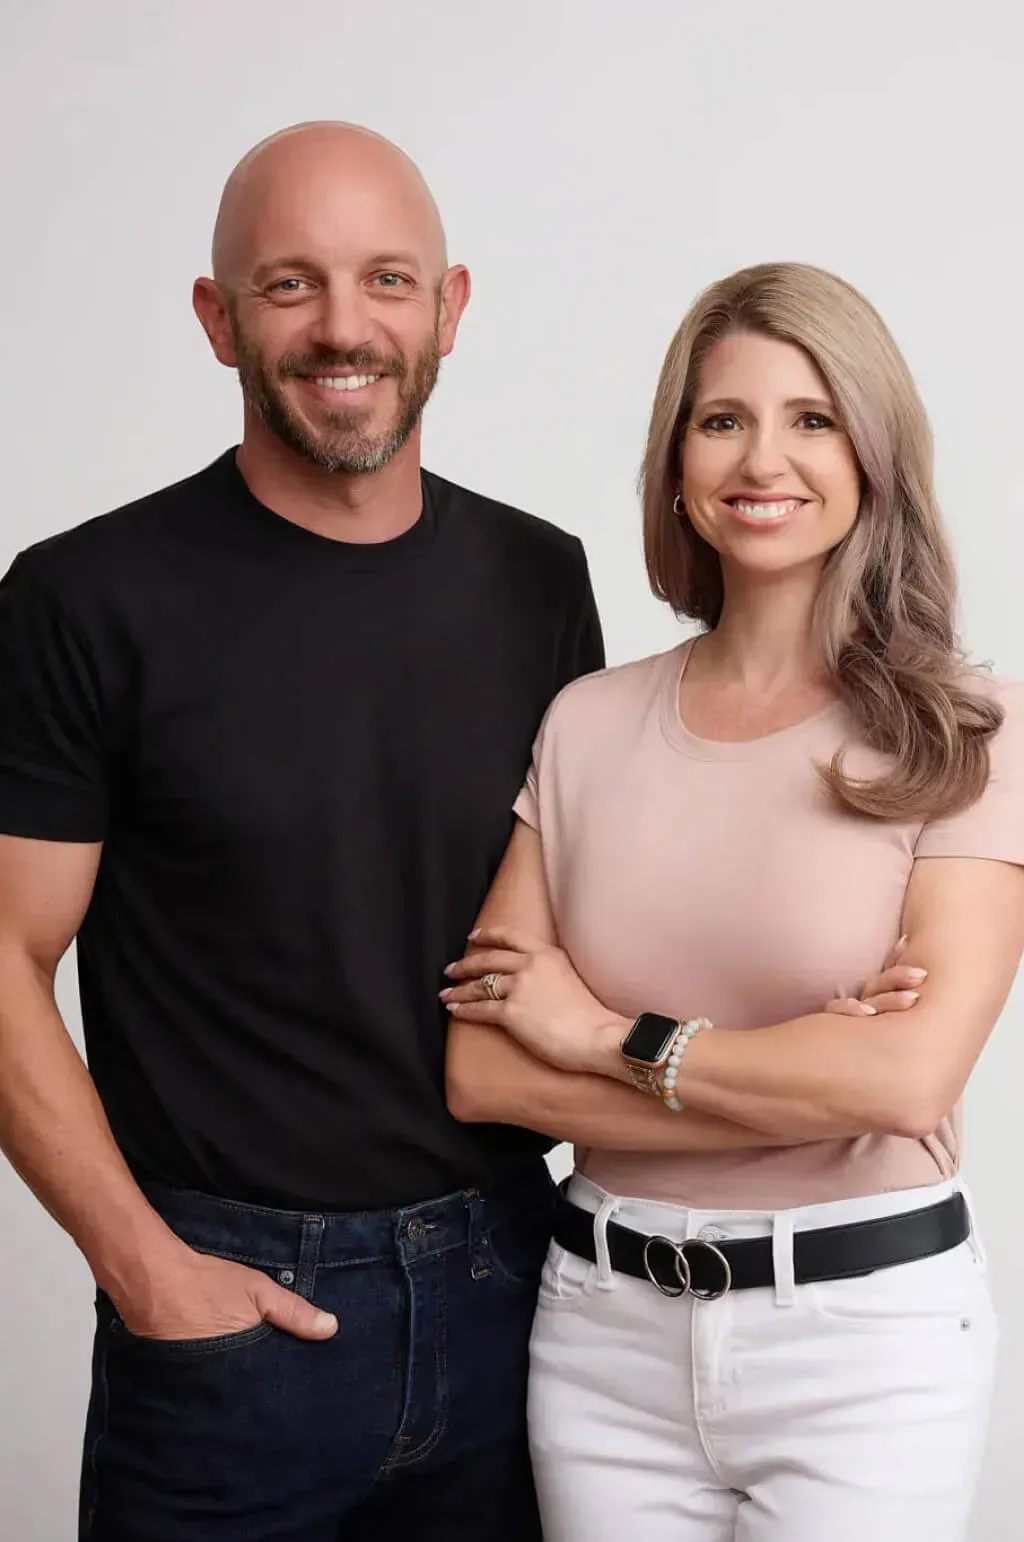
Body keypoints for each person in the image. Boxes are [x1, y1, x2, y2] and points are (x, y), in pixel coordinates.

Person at [0, 121, 607, 1541]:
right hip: (233, 1314)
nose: (346, 327)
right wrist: (145, 1266)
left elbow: (593, 909)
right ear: (218, 320)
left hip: (520, 1284)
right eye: (290, 285)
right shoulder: (85, 598)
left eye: (388, 280)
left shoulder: (540, 577)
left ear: (450, 306)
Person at [443, 261, 1024, 1542]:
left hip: (863, 1347)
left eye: (811, 418)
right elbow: (484, 1073)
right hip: (602, 1335)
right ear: (676, 461)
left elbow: (903, 1086)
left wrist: (606, 1036)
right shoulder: (586, 723)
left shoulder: (965, 736)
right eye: (723, 420)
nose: (764, 457)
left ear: (873, 451)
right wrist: (797, 1069)